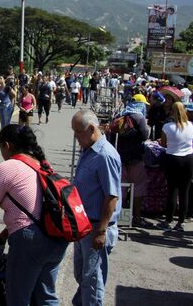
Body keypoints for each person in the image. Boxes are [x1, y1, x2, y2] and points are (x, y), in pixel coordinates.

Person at [0, 124, 68, 306]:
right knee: (46, 296)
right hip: (56, 239)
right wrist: (5, 234)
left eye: (0, 147)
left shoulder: (7, 168)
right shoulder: (41, 164)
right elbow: (34, 208)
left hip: (30, 241)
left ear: (7, 146)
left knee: (17, 298)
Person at [71, 110, 121, 306]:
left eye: (78, 132)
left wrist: (101, 230)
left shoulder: (104, 155)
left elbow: (112, 196)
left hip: (95, 228)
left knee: (92, 280)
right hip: (83, 224)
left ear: (91, 129)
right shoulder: (88, 150)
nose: (75, 137)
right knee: (83, 275)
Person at [108, 94, 152, 228]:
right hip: (135, 157)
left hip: (120, 156)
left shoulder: (120, 115)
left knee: (121, 188)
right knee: (138, 186)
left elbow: (111, 135)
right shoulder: (139, 117)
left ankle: (118, 216)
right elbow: (145, 135)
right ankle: (136, 217)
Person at [157, 102, 193, 232]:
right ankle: (181, 222)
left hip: (173, 158)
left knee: (172, 190)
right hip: (188, 159)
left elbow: (164, 144)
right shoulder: (191, 126)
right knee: (185, 192)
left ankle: (168, 220)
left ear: (172, 111)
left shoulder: (167, 127)